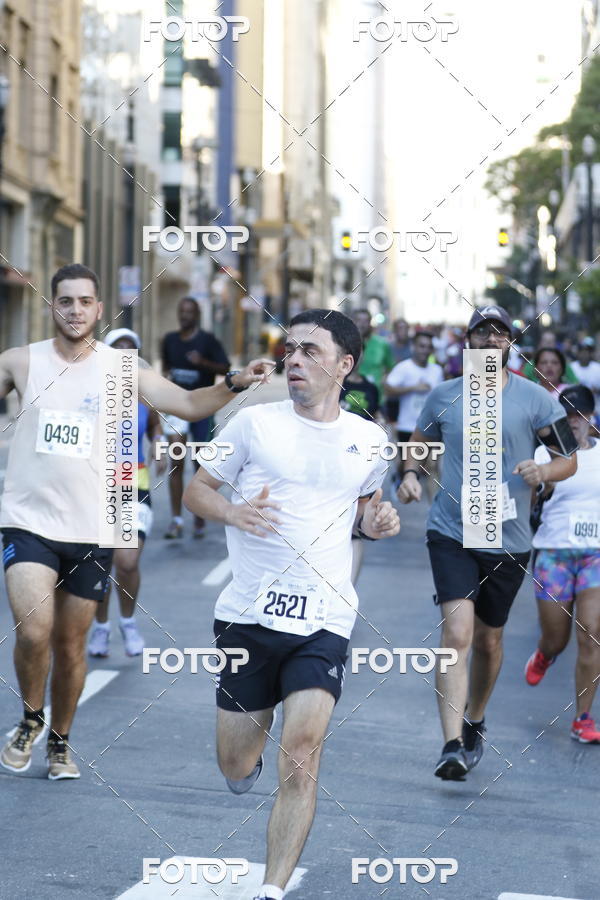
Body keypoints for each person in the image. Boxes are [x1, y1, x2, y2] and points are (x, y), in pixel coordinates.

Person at [0, 263, 271, 780]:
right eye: (65, 301)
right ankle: (32, 719)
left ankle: (60, 741)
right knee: (34, 631)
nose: (75, 310)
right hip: (27, 521)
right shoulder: (20, 361)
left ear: (99, 310)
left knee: (71, 644)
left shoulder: (122, 369)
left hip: (95, 528)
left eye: (84, 301)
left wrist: (236, 381)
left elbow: (190, 404)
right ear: (51, 305)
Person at [183, 309, 400, 900]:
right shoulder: (255, 424)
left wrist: (377, 520)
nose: (295, 361)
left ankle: (271, 891)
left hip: (323, 620)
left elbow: (365, 507)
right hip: (247, 617)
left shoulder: (368, 440)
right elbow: (196, 491)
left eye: (310, 352)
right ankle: (243, 765)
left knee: (301, 754)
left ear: (345, 366)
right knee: (235, 763)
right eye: (291, 350)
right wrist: (233, 511)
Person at [397, 304, 577, 781]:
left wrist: (543, 470)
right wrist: (412, 475)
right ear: (469, 344)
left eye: (501, 334)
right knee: (457, 634)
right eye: (483, 333)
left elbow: (569, 458)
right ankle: (452, 743)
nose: (492, 340)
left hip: (509, 536)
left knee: (489, 639)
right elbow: (417, 444)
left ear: (511, 346)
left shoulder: (537, 399)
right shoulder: (443, 396)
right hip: (451, 531)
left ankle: (475, 718)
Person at [524, 385, 600, 743]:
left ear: (590, 417)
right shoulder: (543, 454)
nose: (575, 421)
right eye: (568, 414)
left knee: (592, 632)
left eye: (581, 414)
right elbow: (527, 505)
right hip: (553, 554)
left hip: (594, 556)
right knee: (557, 638)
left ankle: (582, 718)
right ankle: (545, 653)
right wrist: (542, 485)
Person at [87, 329, 167, 659]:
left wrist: (160, 448)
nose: (123, 354)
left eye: (129, 349)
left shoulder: (144, 393)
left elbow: (155, 427)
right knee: (103, 562)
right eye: (117, 349)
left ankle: (128, 622)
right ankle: (102, 628)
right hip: (100, 482)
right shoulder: (93, 392)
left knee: (127, 560)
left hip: (135, 480)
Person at [161, 297, 230, 539]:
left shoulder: (207, 341)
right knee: (175, 462)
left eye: (189, 311)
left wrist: (203, 363)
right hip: (177, 408)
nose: (185, 315)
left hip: (202, 410)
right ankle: (176, 519)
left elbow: (226, 367)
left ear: (197, 315)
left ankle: (199, 517)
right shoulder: (169, 340)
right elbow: (166, 370)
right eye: (181, 311)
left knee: (200, 464)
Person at [385, 331, 443, 489]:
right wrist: (413, 388)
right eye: (421, 346)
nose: (425, 350)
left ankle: (434, 510)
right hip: (408, 426)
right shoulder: (404, 368)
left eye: (428, 347)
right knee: (408, 465)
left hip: (431, 426)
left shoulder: (437, 370)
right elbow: (388, 389)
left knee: (432, 465)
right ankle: (399, 477)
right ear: (413, 347)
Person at [352, 308, 394, 407]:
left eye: (366, 321)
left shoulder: (382, 343)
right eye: (359, 320)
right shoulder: (346, 343)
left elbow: (391, 367)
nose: (362, 324)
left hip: (377, 398)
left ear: (370, 323)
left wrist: (385, 379)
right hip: (351, 397)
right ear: (353, 321)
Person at [570, 337, 600, 417]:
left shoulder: (598, 368)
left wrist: (597, 390)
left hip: (595, 411)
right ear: (577, 353)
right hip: (574, 411)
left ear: (590, 353)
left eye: (587, 351)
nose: (584, 354)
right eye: (581, 351)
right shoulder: (571, 367)